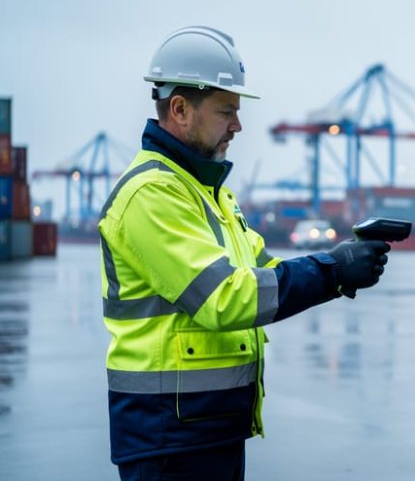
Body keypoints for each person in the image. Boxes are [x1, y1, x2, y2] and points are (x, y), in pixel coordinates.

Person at [98, 26, 391, 481]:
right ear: (180, 109)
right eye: (227, 111)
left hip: (206, 428)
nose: (238, 125)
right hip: (167, 440)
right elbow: (226, 298)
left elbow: (264, 271)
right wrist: (332, 269)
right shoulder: (152, 195)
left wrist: (343, 266)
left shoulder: (210, 194)